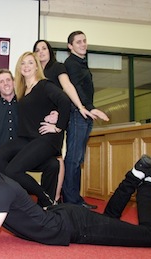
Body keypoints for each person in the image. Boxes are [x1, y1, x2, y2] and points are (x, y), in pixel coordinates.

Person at [0, 139, 151, 248]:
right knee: (109, 220)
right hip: (64, 215)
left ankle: (147, 182)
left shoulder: (2, 189)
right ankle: (135, 176)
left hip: (75, 227)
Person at [0, 52, 71, 206]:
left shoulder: (44, 85)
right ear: (19, 68)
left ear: (37, 66)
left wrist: (58, 127)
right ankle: (46, 199)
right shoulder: (22, 90)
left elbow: (65, 101)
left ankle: (44, 198)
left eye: (30, 62)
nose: (26, 66)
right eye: (23, 63)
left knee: (12, 171)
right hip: (28, 138)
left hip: (45, 139)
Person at [62, 31, 110, 209]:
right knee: (74, 159)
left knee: (77, 158)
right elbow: (75, 90)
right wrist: (91, 108)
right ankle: (71, 201)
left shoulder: (81, 63)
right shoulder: (71, 64)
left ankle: (76, 199)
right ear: (70, 46)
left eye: (84, 41)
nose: (83, 44)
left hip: (84, 114)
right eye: (78, 42)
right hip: (78, 114)